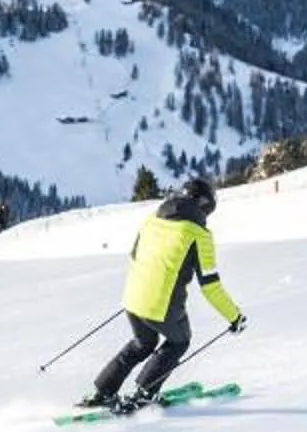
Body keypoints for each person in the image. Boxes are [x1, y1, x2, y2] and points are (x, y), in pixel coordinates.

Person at [80, 174, 246, 414]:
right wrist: (234, 317)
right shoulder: (199, 235)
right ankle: (145, 392)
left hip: (133, 298)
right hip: (161, 304)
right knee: (179, 341)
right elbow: (210, 286)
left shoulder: (152, 220)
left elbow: (135, 255)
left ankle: (103, 391)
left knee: (142, 343)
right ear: (206, 206)